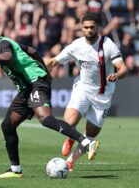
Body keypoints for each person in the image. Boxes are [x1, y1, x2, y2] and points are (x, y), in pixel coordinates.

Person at [0, 22, 100, 178]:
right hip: (25, 89)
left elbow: (7, 57)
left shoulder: (3, 44)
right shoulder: (6, 43)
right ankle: (15, 170)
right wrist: (45, 69)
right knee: (7, 126)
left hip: (34, 83)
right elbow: (33, 51)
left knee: (46, 119)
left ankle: (87, 143)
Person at [46, 13, 128, 172]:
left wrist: (117, 75)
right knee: (68, 123)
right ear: (81, 28)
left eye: (92, 27)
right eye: (86, 27)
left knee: (91, 134)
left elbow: (123, 69)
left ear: (97, 27)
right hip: (82, 89)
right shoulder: (76, 45)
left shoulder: (107, 44)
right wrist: (40, 71)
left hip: (103, 96)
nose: (89, 30)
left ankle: (71, 161)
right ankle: (71, 137)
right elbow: (55, 61)